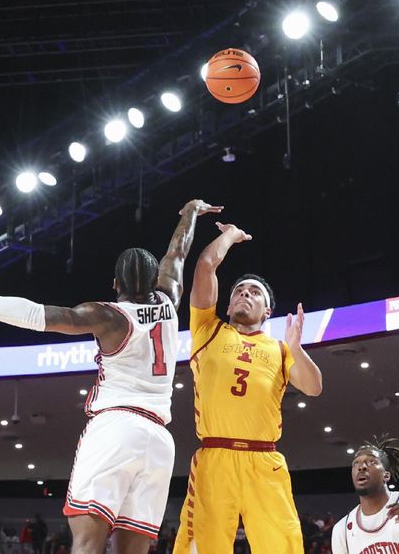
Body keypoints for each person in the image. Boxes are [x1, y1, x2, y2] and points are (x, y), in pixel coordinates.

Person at [0, 199, 222, 554]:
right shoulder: (169, 298)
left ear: (116, 284)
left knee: (87, 543)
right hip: (160, 441)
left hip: (116, 428)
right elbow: (177, 254)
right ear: (155, 280)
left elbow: (35, 315)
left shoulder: (108, 316)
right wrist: (189, 213)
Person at [173, 221, 323, 553]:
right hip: (215, 459)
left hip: (264, 461)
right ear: (227, 307)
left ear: (267, 310)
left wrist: (297, 348)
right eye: (239, 291)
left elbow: (313, 388)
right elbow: (205, 267)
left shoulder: (281, 350)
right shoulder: (208, 331)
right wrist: (230, 236)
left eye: (254, 292)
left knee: (283, 547)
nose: (245, 294)